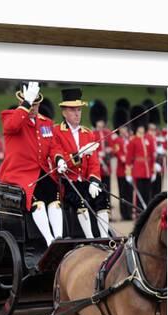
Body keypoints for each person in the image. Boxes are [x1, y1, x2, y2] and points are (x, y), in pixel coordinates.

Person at [0, 81, 67, 246]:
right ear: (22, 102)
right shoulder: (10, 116)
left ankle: (58, 238)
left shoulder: (46, 123)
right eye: (31, 104)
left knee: (54, 196)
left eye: (36, 104)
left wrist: (59, 158)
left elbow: (53, 146)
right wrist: (26, 104)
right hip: (20, 174)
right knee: (38, 201)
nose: (34, 108)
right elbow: (13, 125)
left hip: (41, 171)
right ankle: (49, 240)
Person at [52, 88, 110, 238]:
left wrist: (94, 181)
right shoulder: (57, 131)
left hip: (85, 180)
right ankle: (90, 239)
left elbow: (94, 163)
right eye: (73, 110)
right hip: (68, 182)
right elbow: (58, 155)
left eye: (79, 110)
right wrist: (78, 155)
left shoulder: (88, 133)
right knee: (80, 201)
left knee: (102, 197)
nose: (77, 114)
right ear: (64, 112)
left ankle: (104, 238)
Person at [126, 105, 155, 217]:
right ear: (137, 127)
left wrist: (153, 171)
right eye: (140, 127)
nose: (142, 128)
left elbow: (152, 156)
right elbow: (129, 158)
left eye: (143, 126)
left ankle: (147, 212)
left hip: (147, 170)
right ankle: (139, 212)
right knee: (139, 194)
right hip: (138, 170)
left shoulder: (149, 139)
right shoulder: (133, 140)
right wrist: (128, 173)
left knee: (147, 193)